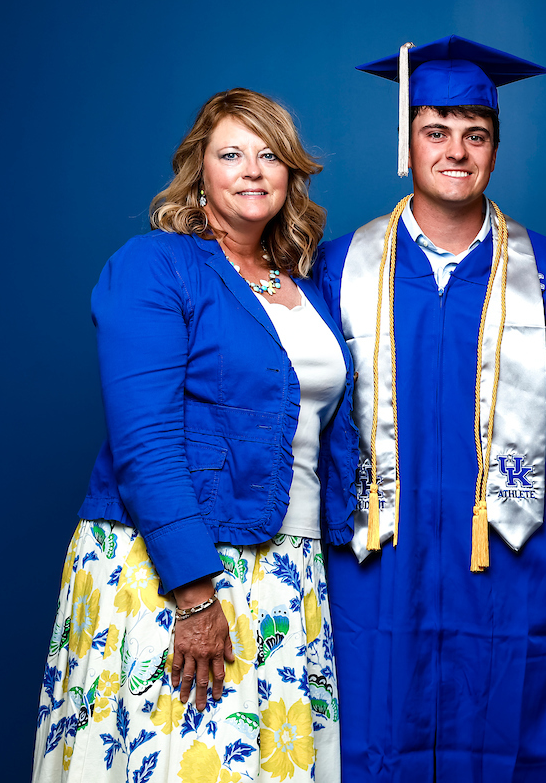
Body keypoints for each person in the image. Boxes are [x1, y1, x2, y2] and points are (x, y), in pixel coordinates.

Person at [32, 89, 356, 783]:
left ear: (291, 173)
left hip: (288, 570)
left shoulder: (304, 284)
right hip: (181, 568)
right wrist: (194, 595)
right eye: (230, 154)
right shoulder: (154, 265)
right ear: (199, 170)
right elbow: (144, 439)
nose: (251, 169)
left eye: (269, 154)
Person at [312, 36, 546, 782]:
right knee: (373, 726)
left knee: (504, 720)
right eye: (436, 131)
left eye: (476, 134)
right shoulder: (338, 265)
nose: (456, 150)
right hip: (377, 553)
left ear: (495, 147)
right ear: (407, 140)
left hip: (503, 545)